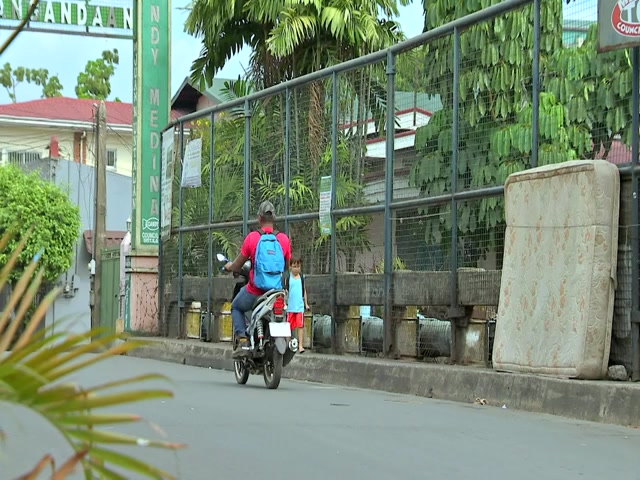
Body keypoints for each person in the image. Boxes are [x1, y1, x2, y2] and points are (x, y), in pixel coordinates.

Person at [224, 201, 291, 358]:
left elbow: (238, 265)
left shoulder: (252, 238)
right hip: (276, 292)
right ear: (274, 218)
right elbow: (286, 266)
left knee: (236, 307)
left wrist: (229, 267)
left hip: (255, 291)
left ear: (259, 218)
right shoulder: (284, 240)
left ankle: (242, 339)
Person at [284, 253, 310, 353]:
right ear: (290, 266)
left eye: (298, 266)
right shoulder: (288, 278)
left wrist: (306, 304)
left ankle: (300, 345)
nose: (296, 269)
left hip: (299, 307)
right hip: (290, 307)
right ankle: (288, 344)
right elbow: (285, 291)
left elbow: (304, 291)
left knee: (300, 326)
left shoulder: (301, 278)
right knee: (288, 326)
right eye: (294, 266)